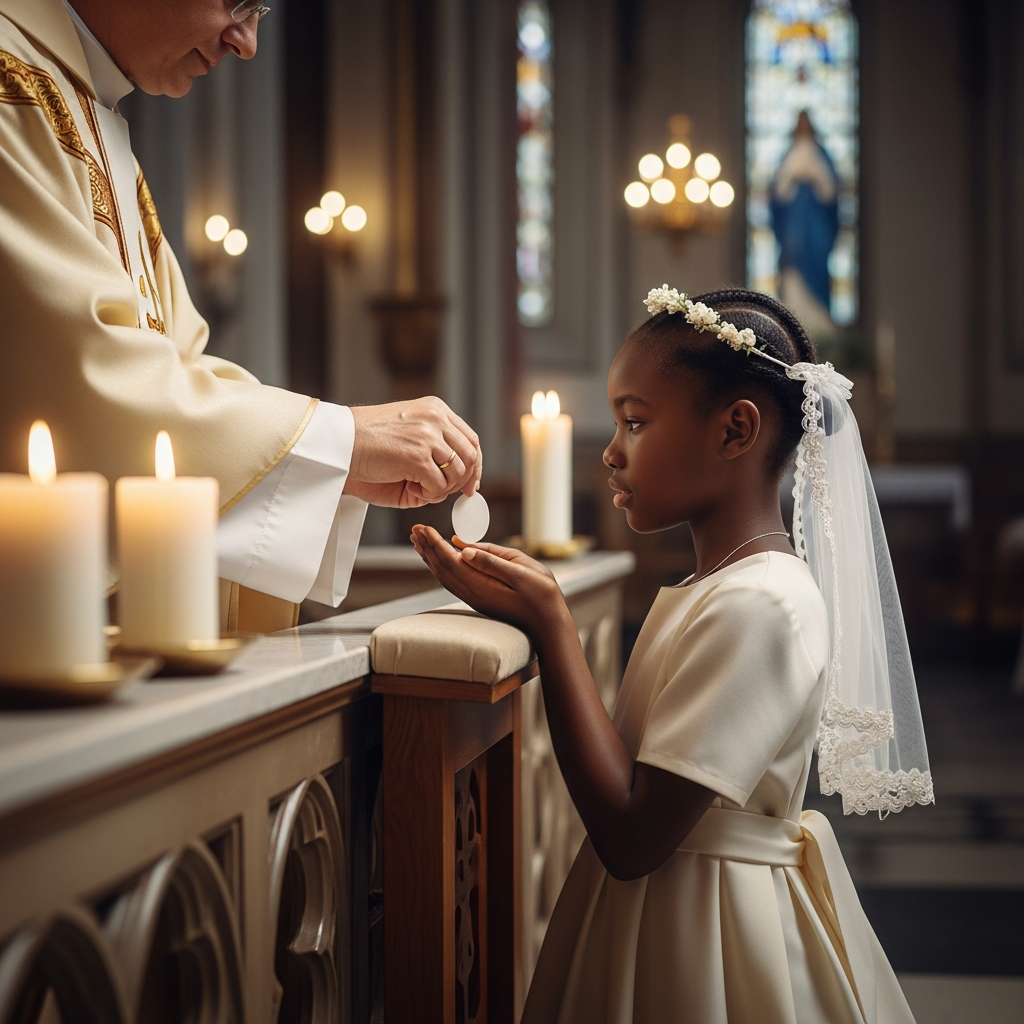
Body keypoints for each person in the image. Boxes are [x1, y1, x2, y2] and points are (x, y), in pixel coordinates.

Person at [412, 287, 934, 1023]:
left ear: (735, 431)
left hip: (710, 937)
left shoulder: (765, 605)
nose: (611, 450)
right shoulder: (714, 587)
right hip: (655, 911)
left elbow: (632, 835)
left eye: (635, 421)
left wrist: (551, 625)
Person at [0, 0, 481, 630]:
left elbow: (183, 364)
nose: (247, 42)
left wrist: (336, 464)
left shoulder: (91, 107)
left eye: (263, 11)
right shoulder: (14, 87)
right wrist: (344, 440)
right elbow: (79, 377)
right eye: (237, 3)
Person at [771, 110, 840, 338]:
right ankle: (793, 330)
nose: (803, 129)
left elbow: (831, 194)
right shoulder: (787, 156)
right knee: (792, 274)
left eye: (806, 125)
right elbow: (777, 195)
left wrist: (815, 175)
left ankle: (821, 331)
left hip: (816, 227)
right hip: (793, 229)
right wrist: (792, 176)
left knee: (817, 269)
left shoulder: (822, 156)